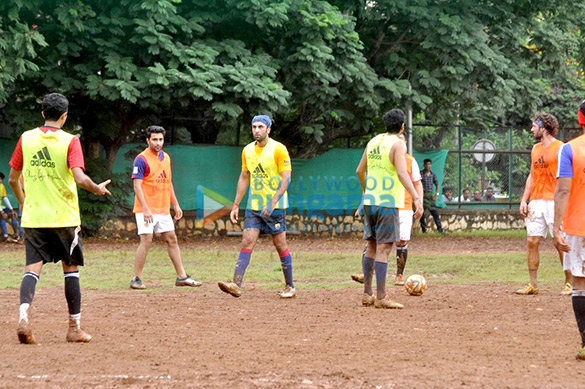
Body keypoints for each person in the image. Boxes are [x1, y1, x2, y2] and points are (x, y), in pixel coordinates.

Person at [8, 92, 111, 344]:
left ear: (43, 113)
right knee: (71, 270)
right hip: (64, 217)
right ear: (64, 117)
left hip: (34, 218)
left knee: (32, 269)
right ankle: (74, 328)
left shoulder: (26, 138)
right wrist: (96, 187)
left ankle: (23, 318)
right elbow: (78, 177)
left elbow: (12, 179)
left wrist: (24, 204)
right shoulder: (70, 141)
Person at [218, 115, 295, 298]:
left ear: (268, 129)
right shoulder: (247, 150)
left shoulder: (278, 149)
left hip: (275, 208)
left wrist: (274, 201)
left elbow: (287, 178)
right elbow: (245, 177)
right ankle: (236, 284)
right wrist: (236, 204)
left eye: (261, 127)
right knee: (247, 241)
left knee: (280, 244)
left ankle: (290, 286)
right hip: (254, 207)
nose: (257, 130)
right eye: (254, 127)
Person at [355, 108, 423, 309]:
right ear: (402, 126)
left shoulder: (374, 141)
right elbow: (402, 173)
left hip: (370, 202)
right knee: (384, 248)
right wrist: (417, 198)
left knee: (372, 246)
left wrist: (367, 190)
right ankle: (382, 297)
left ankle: (367, 294)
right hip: (387, 203)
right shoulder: (399, 144)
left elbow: (359, 170)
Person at [130, 125, 201, 290]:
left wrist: (175, 204)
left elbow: (168, 182)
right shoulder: (141, 159)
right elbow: (137, 186)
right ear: (148, 140)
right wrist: (146, 209)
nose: (158, 143)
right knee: (146, 241)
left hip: (162, 209)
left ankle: (182, 277)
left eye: (160, 139)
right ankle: (136, 278)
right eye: (154, 139)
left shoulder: (166, 157)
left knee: (172, 239)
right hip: (145, 210)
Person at [517, 112, 570, 295]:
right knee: (532, 240)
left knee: (559, 242)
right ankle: (533, 285)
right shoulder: (535, 149)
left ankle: (569, 283)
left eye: (534, 126)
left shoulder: (561, 148)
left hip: (554, 201)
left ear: (544, 128)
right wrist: (525, 199)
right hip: (537, 201)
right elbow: (532, 175)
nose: (531, 129)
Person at [552, 101, 585, 359]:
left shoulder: (569, 149)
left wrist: (556, 227)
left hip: (578, 226)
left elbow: (563, 190)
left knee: (580, 282)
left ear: (580, 119)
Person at [420, 158, 444, 233]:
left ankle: (440, 229)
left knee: (435, 213)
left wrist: (436, 194)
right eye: (426, 164)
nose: (428, 165)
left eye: (429, 164)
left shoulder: (433, 174)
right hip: (423, 197)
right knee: (422, 214)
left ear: (431, 165)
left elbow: (437, 184)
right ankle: (424, 230)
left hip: (430, 197)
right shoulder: (420, 174)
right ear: (424, 165)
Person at [0, 172, 18, 242]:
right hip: (0, 208)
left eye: (1, 179)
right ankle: (5, 236)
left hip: (1, 206)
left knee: (13, 214)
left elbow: (5, 198)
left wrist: (12, 209)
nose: (0, 181)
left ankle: (17, 234)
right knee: (1, 217)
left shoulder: (2, 186)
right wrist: (2, 212)